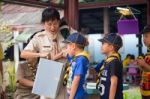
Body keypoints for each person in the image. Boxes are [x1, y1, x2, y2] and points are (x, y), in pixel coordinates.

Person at [20, 7, 68, 99]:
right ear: (43, 24)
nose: (53, 27)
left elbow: (84, 43)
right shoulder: (39, 37)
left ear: (59, 22)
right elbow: (23, 54)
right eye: (49, 24)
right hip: (47, 75)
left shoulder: (66, 32)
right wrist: (40, 54)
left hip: (64, 78)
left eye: (55, 23)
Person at [62, 33, 90, 99]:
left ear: (73, 46)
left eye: (67, 46)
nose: (66, 49)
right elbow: (68, 56)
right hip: (74, 94)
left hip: (78, 95)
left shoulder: (81, 60)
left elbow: (76, 81)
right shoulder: (76, 58)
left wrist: (71, 97)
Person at [96, 33, 123, 99]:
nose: (101, 46)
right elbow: (96, 70)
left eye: (103, 43)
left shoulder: (114, 62)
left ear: (111, 47)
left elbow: (114, 83)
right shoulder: (107, 61)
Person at [136, 25, 150, 99]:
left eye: (146, 36)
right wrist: (140, 65)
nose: (144, 39)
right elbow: (145, 70)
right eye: (143, 36)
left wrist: (144, 64)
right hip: (145, 89)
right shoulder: (147, 54)